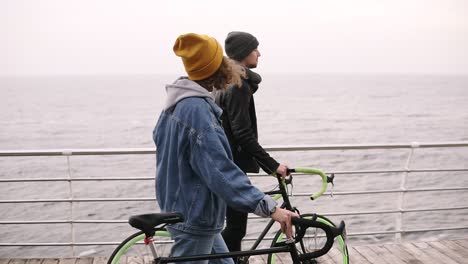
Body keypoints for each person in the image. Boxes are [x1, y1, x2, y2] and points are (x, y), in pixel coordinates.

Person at [153, 33, 298, 264]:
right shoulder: (197, 111)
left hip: (185, 207)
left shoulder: (175, 104)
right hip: (194, 215)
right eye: (219, 59)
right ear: (212, 68)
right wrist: (272, 209)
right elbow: (221, 172)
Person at [214, 31, 289, 258]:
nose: (259, 53)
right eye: (255, 49)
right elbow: (243, 134)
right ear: (244, 53)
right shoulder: (238, 85)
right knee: (236, 228)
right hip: (231, 164)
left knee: (234, 228)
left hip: (223, 161)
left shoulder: (224, 82)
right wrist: (272, 165)